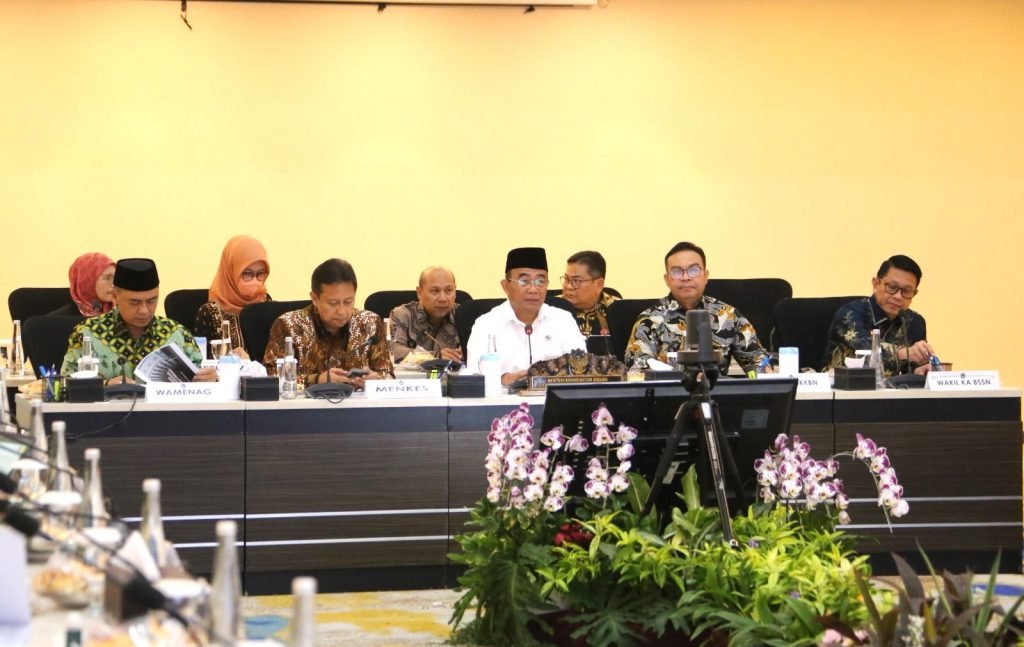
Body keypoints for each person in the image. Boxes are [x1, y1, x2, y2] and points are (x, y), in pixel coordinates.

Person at [60, 258, 215, 383]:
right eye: (134, 302)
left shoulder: (176, 334)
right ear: (115, 296)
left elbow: (201, 378)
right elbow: (65, 384)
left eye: (152, 301)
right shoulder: (87, 334)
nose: (144, 310)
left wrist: (209, 380)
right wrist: (105, 386)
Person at [625, 241, 769, 374]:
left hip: (718, 391)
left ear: (706, 276)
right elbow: (638, 369)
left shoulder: (728, 315)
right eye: (677, 271)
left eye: (693, 270)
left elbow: (758, 362)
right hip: (668, 392)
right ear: (667, 279)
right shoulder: (649, 320)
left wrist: (763, 372)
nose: (686, 277)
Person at [263, 258, 393, 390]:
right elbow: (271, 377)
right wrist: (316, 380)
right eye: (333, 303)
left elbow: (388, 375)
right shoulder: (288, 325)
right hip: (306, 402)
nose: (342, 311)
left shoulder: (370, 323)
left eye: (348, 301)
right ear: (315, 298)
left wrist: (376, 379)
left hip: (359, 401)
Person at [465, 247, 586, 386]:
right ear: (506, 286)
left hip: (553, 398)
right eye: (524, 281)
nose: (533, 289)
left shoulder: (563, 320)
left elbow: (581, 371)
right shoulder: (486, 325)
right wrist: (502, 380)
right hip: (503, 398)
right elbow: (473, 379)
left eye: (540, 281)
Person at [823, 254, 935, 377]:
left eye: (907, 291)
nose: (898, 296)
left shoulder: (915, 322)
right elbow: (868, 353)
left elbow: (913, 368)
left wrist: (921, 370)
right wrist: (905, 353)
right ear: (876, 284)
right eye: (891, 287)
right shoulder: (850, 314)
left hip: (892, 389)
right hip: (841, 387)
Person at [194, 235, 271, 359]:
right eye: (247, 274)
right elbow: (201, 361)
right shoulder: (209, 312)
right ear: (231, 271)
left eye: (260, 274)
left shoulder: (266, 304)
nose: (255, 281)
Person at [389, 266, 462, 363]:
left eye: (448, 290)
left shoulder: (464, 315)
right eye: (435, 291)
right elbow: (394, 351)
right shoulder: (402, 315)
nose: (443, 299)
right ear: (419, 293)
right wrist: (436, 356)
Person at [560, 250, 620, 337]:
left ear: (599, 284)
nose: (568, 286)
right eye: (566, 279)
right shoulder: (549, 309)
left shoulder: (619, 311)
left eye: (576, 281)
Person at [50, 253, 116, 317]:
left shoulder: (120, 314)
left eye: (116, 277)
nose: (114, 284)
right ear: (87, 281)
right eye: (107, 278)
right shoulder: (56, 320)